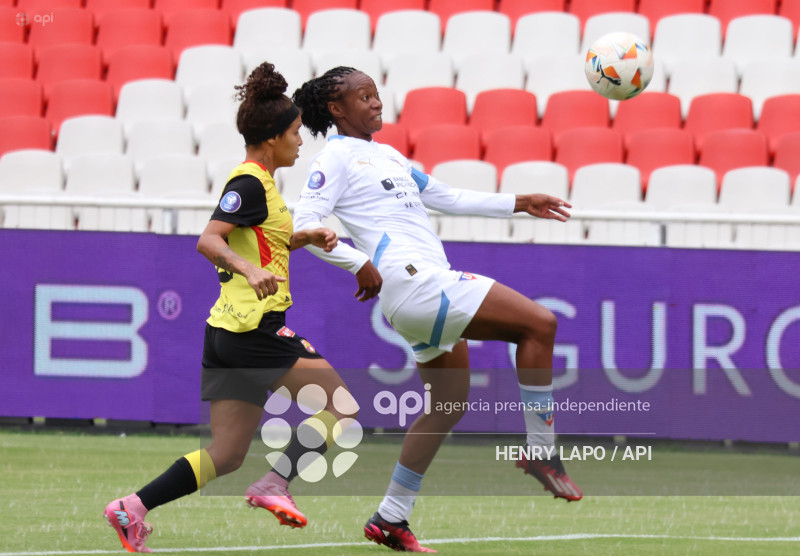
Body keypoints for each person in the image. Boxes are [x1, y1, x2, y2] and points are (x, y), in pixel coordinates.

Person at [292, 67, 582, 553]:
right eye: (364, 97)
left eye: (376, 94)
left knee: (447, 404)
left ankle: (391, 516)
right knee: (540, 323)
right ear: (337, 109)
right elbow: (304, 225)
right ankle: (542, 452)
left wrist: (519, 201)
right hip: (417, 283)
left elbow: (446, 196)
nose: (376, 103)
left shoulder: (386, 155)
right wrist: (356, 261)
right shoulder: (335, 158)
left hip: (415, 294)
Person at [103, 62, 357, 553]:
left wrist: (302, 237)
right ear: (270, 138)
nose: (300, 142)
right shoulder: (249, 183)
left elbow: (260, 243)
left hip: (227, 332)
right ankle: (275, 484)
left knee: (227, 452)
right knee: (341, 408)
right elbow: (209, 240)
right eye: (294, 133)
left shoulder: (263, 184)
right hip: (253, 330)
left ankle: (131, 507)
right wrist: (250, 270)